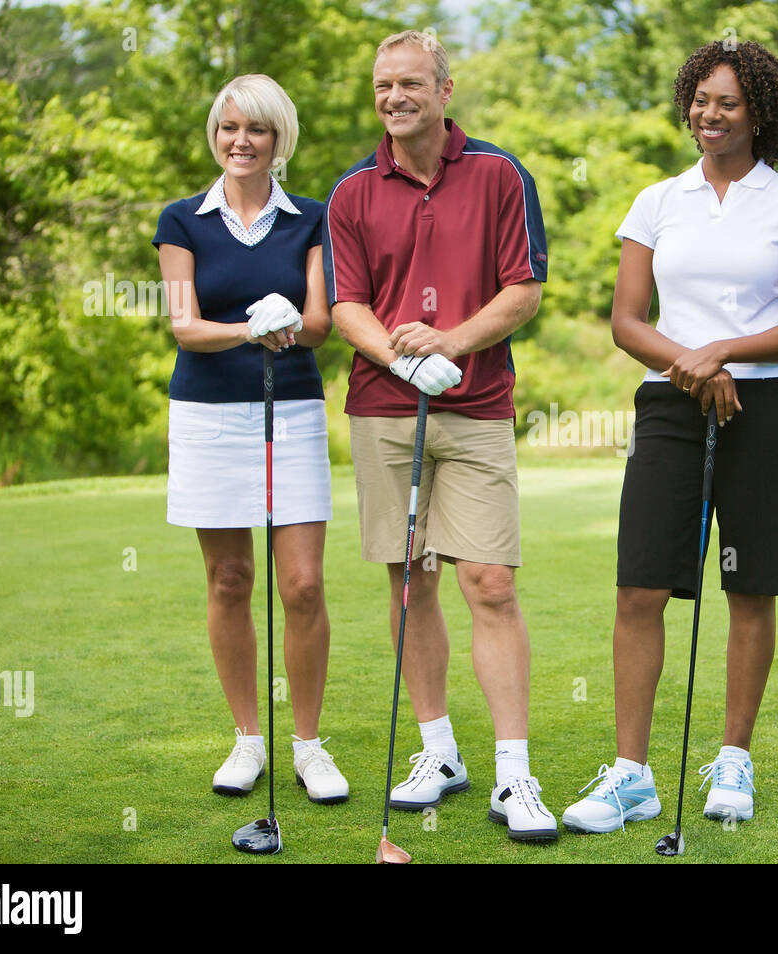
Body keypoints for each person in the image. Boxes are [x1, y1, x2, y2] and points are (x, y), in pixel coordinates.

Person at [561, 40, 778, 834]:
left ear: (761, 115)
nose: (709, 115)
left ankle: (735, 760)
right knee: (640, 586)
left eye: (728, 103)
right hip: (671, 407)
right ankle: (632, 776)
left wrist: (723, 354)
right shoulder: (657, 201)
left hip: (767, 410)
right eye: (701, 100)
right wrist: (692, 364)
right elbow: (625, 322)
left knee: (751, 587)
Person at [323, 30, 555, 841]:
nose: (395, 97)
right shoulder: (351, 192)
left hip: (478, 404)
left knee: (489, 580)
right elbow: (346, 303)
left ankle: (515, 777)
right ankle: (438, 753)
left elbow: (524, 289)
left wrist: (449, 343)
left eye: (411, 83)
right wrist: (398, 354)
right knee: (410, 579)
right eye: (384, 85)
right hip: (385, 413)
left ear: (445, 89)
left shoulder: (498, 174)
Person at [154, 74, 349, 807]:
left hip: (290, 411)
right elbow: (184, 325)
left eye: (257, 130)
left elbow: (321, 319)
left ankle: (308, 745)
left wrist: (290, 324)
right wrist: (252, 328)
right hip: (208, 417)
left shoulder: (313, 218)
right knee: (230, 581)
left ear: (279, 140)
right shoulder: (182, 220)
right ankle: (247, 740)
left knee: (301, 584)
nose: (241, 141)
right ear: (217, 135)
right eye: (230, 127)